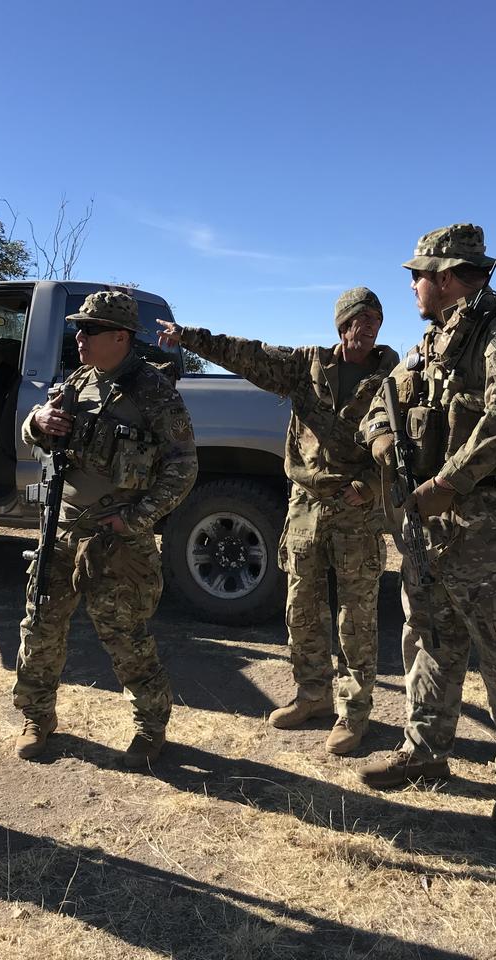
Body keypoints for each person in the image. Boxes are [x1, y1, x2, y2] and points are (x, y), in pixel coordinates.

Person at [360, 223, 496, 830]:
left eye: (417, 274)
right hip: (427, 522)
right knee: (430, 640)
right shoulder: (429, 342)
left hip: (483, 521)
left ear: (444, 276)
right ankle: (425, 753)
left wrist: (445, 486)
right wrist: (385, 438)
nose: (413, 285)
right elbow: (379, 402)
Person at [157, 289, 399, 754]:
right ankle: (312, 696)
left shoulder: (393, 375)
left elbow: (405, 439)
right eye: (360, 319)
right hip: (306, 504)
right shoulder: (306, 365)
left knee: (357, 614)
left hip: (357, 507)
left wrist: (369, 484)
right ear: (341, 325)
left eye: (376, 319)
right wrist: (189, 337)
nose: (369, 327)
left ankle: (353, 712)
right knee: (301, 606)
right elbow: (246, 354)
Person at [14, 291, 197, 767]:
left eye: (90, 330)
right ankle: (37, 717)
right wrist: (37, 422)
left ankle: (150, 728)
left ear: (120, 336)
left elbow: (183, 466)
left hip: (116, 536)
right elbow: (34, 438)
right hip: (62, 526)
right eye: (79, 329)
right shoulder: (76, 381)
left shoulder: (154, 391)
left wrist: (136, 519)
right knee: (40, 625)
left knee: (123, 633)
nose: (80, 337)